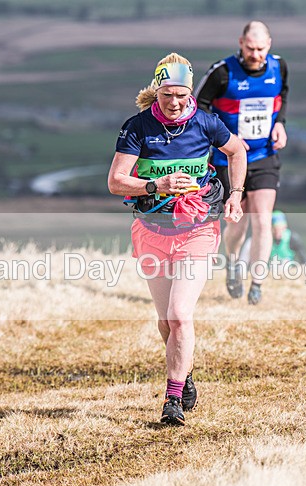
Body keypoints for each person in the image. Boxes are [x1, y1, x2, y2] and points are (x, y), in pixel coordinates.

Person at [107, 53, 247, 426]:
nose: (174, 102)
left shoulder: (206, 123)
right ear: (156, 92)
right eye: (167, 94)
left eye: (182, 95)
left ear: (189, 93)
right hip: (152, 230)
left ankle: (172, 400)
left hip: (197, 229)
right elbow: (116, 181)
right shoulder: (137, 127)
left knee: (180, 315)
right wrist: (156, 184)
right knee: (165, 321)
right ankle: (184, 373)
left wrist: (235, 194)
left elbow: (237, 151)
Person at [195, 20, 289, 306]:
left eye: (261, 48)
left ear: (269, 45)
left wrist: (280, 124)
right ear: (240, 43)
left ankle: (257, 283)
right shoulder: (222, 72)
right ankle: (233, 263)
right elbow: (198, 107)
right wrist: (227, 136)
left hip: (264, 154)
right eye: (250, 48)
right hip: (229, 159)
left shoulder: (279, 67)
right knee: (237, 221)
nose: (256, 54)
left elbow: (282, 96)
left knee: (262, 218)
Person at [239, 210, 306, 266]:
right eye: (275, 229)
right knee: (249, 242)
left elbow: (305, 260)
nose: (278, 232)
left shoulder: (292, 238)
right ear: (270, 228)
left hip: (285, 274)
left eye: (281, 229)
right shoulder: (264, 238)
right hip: (267, 274)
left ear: (285, 227)